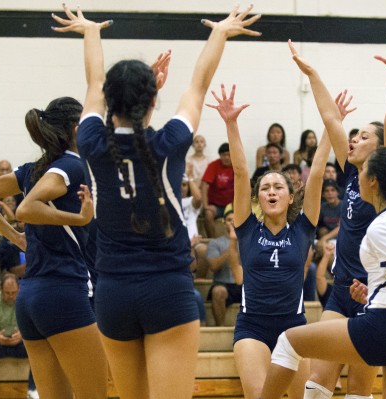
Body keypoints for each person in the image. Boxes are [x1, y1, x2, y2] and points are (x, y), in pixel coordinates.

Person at [51, 5, 260, 399]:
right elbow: (198, 84)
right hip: (167, 290)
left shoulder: (91, 140)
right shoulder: (170, 142)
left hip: (112, 293)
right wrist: (219, 32)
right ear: (152, 102)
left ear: (110, 103)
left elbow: (94, 82)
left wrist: (91, 31)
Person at [284, 34, 386, 399]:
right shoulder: (350, 173)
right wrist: (312, 73)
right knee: (316, 385)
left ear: (380, 151)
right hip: (341, 290)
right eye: (355, 134)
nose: (354, 139)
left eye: (362, 136)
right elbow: (331, 117)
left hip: (374, 297)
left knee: (359, 391)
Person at [261, 144, 386, 399]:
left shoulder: (382, 226)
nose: (358, 174)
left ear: (374, 181)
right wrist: (374, 296)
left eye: (364, 169)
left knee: (288, 342)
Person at [0, 96, 108, 398]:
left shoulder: (32, 169)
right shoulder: (72, 165)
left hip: (30, 297)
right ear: (75, 128)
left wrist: (14, 237)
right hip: (65, 291)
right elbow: (27, 208)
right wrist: (78, 218)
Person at [207, 79, 332, 398]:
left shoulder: (304, 228)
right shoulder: (247, 226)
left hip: (294, 329)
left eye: (279, 187)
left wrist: (332, 126)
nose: (272, 190)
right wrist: (231, 124)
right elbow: (240, 171)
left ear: (290, 198)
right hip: (252, 328)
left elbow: (316, 173)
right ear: (257, 199)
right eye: (265, 188)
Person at [0, 273, 37, 399]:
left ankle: (33, 388)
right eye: (7, 292)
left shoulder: (27, 301)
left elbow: (35, 327)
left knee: (39, 344)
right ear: (1, 289)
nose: (10, 296)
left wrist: (21, 336)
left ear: (19, 289)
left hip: (21, 343)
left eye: (13, 292)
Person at [206, 208, 241, 326]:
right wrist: (232, 247)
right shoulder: (215, 243)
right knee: (217, 291)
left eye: (235, 219)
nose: (232, 222)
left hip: (244, 284)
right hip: (223, 284)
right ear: (224, 222)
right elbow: (213, 267)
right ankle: (220, 328)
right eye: (229, 220)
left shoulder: (248, 241)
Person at [202, 143, 235, 238]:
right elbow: (204, 185)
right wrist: (205, 206)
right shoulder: (213, 165)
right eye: (224, 155)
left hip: (232, 205)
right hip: (216, 206)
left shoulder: (237, 167)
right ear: (220, 156)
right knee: (208, 214)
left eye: (229, 155)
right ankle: (212, 240)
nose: (227, 158)